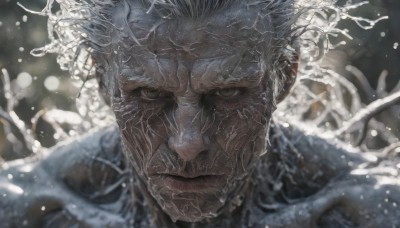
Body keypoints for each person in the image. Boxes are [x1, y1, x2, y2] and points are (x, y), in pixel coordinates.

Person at [1, 0, 399, 227]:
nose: (188, 144)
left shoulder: (372, 211)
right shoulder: (24, 211)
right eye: (148, 94)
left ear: (285, 75)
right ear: (101, 77)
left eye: (228, 93)